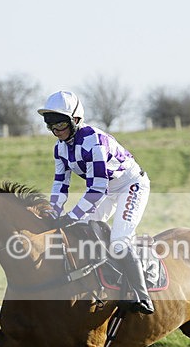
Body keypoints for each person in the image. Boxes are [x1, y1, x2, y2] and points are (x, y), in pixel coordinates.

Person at [38, 90, 154, 314]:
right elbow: (60, 183)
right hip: (106, 188)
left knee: (119, 241)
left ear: (76, 120)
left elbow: (97, 189)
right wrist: (53, 212)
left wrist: (71, 216)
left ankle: (142, 296)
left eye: (61, 124)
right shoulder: (60, 148)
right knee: (81, 231)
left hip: (130, 186)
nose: (56, 130)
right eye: (50, 125)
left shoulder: (94, 142)